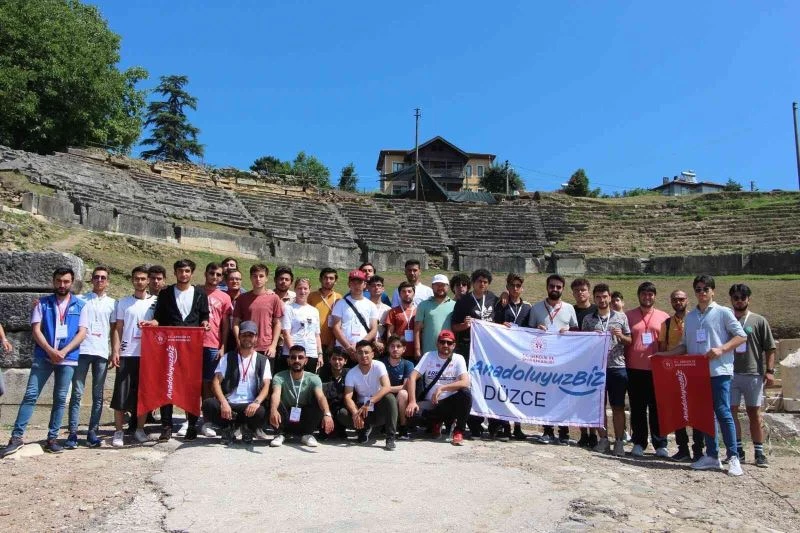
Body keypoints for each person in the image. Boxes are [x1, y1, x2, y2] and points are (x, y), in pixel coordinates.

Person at [655, 274, 747, 476]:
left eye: (706, 289)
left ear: (713, 291)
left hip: (719, 371)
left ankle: (733, 457)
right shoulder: (691, 317)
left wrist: (721, 349)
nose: (702, 292)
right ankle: (712, 455)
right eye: (698, 289)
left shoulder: (723, 312)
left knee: (723, 412)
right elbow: (685, 346)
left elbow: (741, 336)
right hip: (697, 374)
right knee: (705, 415)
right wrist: (664, 356)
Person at [2, 267, 88, 456]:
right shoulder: (42, 303)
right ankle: (16, 437)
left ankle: (52, 439)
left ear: (72, 282)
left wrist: (63, 351)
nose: (62, 285)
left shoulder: (81, 305)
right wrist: (50, 351)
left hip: (68, 358)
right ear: (53, 281)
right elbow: (36, 330)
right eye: (58, 281)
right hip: (44, 356)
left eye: (66, 281)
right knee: (31, 394)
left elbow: (82, 332)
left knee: (60, 398)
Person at [148, 259, 210, 441]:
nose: (184, 274)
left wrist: (205, 323)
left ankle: (192, 425)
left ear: (192, 273)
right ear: (175, 273)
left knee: (191, 387)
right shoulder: (166, 293)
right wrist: (151, 324)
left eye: (187, 271)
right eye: (181, 271)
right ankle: (166, 427)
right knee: (167, 385)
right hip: (169, 347)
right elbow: (158, 317)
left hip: (192, 348)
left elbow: (204, 315)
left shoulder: (200, 293)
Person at [65, 266, 116, 449]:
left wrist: (114, 351)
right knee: (77, 392)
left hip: (101, 352)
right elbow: (60, 304)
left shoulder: (113, 303)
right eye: (96, 277)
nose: (100, 280)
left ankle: (92, 431)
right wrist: (38, 303)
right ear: (92, 279)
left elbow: (114, 329)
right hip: (82, 350)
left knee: (98, 394)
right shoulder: (80, 299)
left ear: (107, 281)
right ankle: (72, 432)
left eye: (103, 277)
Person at [729, 283, 776, 468]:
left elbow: (770, 348)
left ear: (748, 299)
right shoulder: (726, 319)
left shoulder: (758, 320)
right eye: (736, 298)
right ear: (731, 299)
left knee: (754, 414)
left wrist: (770, 371)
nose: (739, 301)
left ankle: (759, 452)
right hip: (730, 373)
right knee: (731, 412)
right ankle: (738, 450)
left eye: (743, 297)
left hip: (753, 373)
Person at [581, 283, 631, 455]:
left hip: (616, 367)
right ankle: (603, 439)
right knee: (598, 407)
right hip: (597, 368)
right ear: (594, 299)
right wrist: (591, 338)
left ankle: (619, 441)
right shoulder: (588, 319)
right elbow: (583, 344)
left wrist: (620, 335)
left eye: (604, 297)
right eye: (598, 297)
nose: (602, 300)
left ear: (609, 297)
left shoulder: (621, 317)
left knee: (618, 406)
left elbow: (629, 341)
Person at [109, 266, 156, 447]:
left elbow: (160, 324)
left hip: (148, 355)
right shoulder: (123, 302)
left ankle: (140, 429)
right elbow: (118, 328)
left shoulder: (156, 302)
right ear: (132, 280)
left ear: (148, 281)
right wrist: (115, 351)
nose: (140, 282)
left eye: (143, 279)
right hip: (127, 354)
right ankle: (118, 431)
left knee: (144, 395)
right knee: (120, 395)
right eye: (136, 278)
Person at [202, 320, 271, 444]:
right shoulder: (227, 357)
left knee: (262, 410)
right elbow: (216, 382)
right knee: (208, 405)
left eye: (251, 335)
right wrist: (223, 402)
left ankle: (247, 428)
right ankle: (228, 428)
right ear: (239, 337)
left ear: (256, 338)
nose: (247, 338)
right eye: (244, 335)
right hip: (230, 404)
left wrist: (256, 402)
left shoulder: (263, 360)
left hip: (249, 405)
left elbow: (266, 386)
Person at [528, 274, 577, 445]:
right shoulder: (536, 308)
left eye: (558, 287)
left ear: (562, 289)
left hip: (563, 361)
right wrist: (536, 328)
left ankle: (564, 432)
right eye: (552, 286)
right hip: (543, 360)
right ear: (547, 287)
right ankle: (547, 430)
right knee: (545, 395)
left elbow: (577, 332)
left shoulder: (569, 308)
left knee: (563, 395)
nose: (555, 289)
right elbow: (527, 333)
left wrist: (569, 330)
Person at [451, 268, 497, 439]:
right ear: (474, 282)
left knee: (489, 385)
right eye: (479, 281)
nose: (482, 284)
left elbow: (500, 322)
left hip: (489, 351)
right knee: (470, 386)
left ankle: (494, 424)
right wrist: (464, 325)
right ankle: (473, 424)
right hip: (468, 349)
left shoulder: (494, 299)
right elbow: (454, 326)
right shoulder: (463, 302)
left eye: (485, 282)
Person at [624, 282, 669, 457]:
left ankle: (660, 443)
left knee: (657, 407)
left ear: (655, 296)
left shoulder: (664, 316)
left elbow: (666, 343)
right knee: (637, 407)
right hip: (634, 368)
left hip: (656, 369)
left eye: (650, 294)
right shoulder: (629, 316)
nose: (647, 297)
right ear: (638, 295)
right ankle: (639, 442)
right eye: (644, 294)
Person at [659, 290, 704, 462]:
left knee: (697, 412)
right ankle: (682, 449)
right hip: (674, 371)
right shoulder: (666, 323)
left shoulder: (696, 320)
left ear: (687, 300)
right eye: (675, 299)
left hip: (694, 370)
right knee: (677, 411)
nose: (678, 302)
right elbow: (663, 347)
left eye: (681, 299)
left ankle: (698, 450)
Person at [405, 330, 471, 446]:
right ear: (437, 343)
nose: (445, 345)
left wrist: (442, 388)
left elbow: (465, 382)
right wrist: (412, 401)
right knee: (412, 416)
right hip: (433, 403)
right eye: (442, 342)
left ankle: (458, 431)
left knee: (466, 394)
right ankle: (436, 422)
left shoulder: (458, 358)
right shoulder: (429, 356)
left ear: (454, 345)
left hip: (451, 402)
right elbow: (412, 377)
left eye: (449, 343)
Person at [269, 345, 334, 447]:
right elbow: (276, 394)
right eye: (293, 357)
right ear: (288, 360)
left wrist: (327, 414)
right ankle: (280, 434)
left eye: (300, 357)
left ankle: (307, 435)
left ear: (306, 361)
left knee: (319, 401)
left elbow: (321, 396)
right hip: (285, 416)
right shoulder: (279, 376)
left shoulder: (313, 378)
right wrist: (273, 410)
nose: (297, 360)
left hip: (304, 417)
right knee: (272, 401)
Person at [493, 273, 532, 441]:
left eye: (518, 286)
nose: (515, 289)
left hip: (521, 356)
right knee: (504, 391)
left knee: (518, 391)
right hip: (503, 354)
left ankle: (518, 427)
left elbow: (531, 329)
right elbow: (492, 325)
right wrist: (500, 325)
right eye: (512, 285)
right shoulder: (500, 305)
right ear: (507, 287)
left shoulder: (528, 308)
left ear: (522, 288)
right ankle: (505, 427)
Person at [341, 340, 397, 450]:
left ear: (372, 354)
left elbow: (387, 387)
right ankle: (362, 429)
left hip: (377, 406)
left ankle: (390, 437)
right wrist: (355, 413)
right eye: (360, 352)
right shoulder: (351, 373)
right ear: (355, 355)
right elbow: (347, 397)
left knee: (390, 398)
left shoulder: (379, 365)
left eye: (366, 352)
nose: (363, 355)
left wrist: (370, 401)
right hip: (362, 409)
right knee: (342, 413)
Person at [200, 262, 232, 438]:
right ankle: (191, 419)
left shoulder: (224, 297)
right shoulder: (196, 292)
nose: (214, 277)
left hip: (213, 344)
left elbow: (225, 325)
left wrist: (223, 345)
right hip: (193, 344)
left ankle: (207, 420)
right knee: (193, 383)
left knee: (210, 383)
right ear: (206, 273)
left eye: (218, 274)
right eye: (212, 273)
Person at [232, 264, 284, 373]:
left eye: (261, 276)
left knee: (265, 380)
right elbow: (235, 323)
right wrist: (238, 342)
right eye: (255, 276)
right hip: (246, 345)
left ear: (266, 278)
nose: (258, 279)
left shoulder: (274, 298)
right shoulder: (242, 298)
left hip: (266, 348)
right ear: (250, 278)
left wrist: (273, 346)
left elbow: (277, 323)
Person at [330, 270, 379, 365]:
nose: (357, 286)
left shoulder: (371, 305)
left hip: (362, 352)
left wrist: (358, 346)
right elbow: (336, 327)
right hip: (343, 351)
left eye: (360, 282)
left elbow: (374, 329)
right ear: (349, 284)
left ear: (365, 285)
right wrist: (348, 347)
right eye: (354, 282)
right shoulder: (340, 304)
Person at [279, 278, 322, 373]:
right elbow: (286, 333)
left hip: (311, 353)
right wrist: (295, 354)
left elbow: (317, 335)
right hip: (293, 355)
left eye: (305, 288)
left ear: (309, 290)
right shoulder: (288, 308)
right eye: (299, 288)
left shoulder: (314, 311)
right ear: (295, 289)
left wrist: (320, 354)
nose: (302, 291)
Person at [381, 335, 414, 439]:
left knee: (403, 393)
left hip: (399, 398)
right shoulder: (381, 363)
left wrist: (387, 388)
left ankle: (403, 427)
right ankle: (385, 424)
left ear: (404, 349)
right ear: (388, 348)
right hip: (384, 396)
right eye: (392, 346)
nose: (395, 349)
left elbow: (405, 386)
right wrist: (386, 390)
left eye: (398, 346)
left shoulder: (408, 364)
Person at [414, 274, 455, 359]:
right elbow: (417, 329)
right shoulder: (423, 305)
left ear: (448, 287)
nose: (440, 287)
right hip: (428, 352)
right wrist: (417, 349)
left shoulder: (455, 305)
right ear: (432, 287)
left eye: (443, 285)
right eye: (437, 285)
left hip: (448, 352)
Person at [308, 268, 341, 358]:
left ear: (335, 281)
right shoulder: (311, 296)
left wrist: (332, 342)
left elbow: (339, 323)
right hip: (312, 342)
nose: (328, 281)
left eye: (331, 278)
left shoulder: (339, 298)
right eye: (325, 278)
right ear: (320, 279)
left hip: (331, 343)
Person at [318, 350, 350, 439]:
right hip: (327, 405)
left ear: (345, 361)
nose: (337, 362)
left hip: (342, 406)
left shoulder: (349, 374)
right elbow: (322, 393)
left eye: (340, 359)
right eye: (334, 359)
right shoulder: (323, 372)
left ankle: (341, 429)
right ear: (329, 360)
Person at [384, 281, 417, 359]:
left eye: (409, 291)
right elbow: (389, 333)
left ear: (414, 294)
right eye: (404, 291)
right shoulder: (393, 311)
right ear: (399, 294)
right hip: (398, 352)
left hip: (415, 352)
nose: (407, 294)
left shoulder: (419, 311)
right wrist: (391, 350)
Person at [367, 275, 391, 355]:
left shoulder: (388, 309)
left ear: (383, 288)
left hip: (383, 347)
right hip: (367, 345)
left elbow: (389, 330)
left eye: (379, 285)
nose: (376, 288)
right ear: (368, 288)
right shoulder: (363, 307)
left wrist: (385, 344)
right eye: (373, 286)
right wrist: (374, 342)